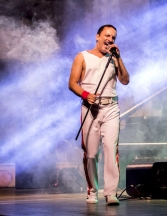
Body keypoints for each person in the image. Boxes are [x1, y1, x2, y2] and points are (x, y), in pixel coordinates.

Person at [68, 24, 130, 205]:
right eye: (107, 35)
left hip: (111, 108)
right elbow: (72, 83)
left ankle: (111, 193)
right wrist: (86, 95)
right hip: (90, 109)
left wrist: (119, 58)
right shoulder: (82, 56)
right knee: (91, 154)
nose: (110, 39)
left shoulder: (113, 58)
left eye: (113, 37)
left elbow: (125, 80)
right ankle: (92, 191)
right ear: (97, 36)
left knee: (111, 151)